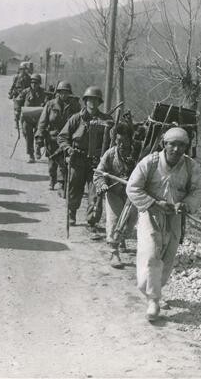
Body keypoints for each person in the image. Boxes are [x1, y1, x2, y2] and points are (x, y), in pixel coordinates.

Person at [126, 127, 201, 322]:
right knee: (151, 254)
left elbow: (198, 191)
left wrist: (185, 204)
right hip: (150, 214)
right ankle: (153, 299)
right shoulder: (150, 162)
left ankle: (154, 289)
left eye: (181, 145)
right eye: (172, 144)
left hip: (174, 217)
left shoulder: (190, 166)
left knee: (168, 257)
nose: (176, 149)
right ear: (164, 144)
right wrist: (153, 203)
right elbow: (133, 187)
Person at [57, 86, 113, 228]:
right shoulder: (76, 119)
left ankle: (92, 218)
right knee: (74, 189)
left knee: (95, 191)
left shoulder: (106, 120)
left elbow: (113, 141)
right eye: (90, 100)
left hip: (97, 162)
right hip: (78, 160)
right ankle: (71, 214)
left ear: (99, 102)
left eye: (95, 100)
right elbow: (62, 137)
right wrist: (68, 149)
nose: (92, 103)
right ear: (85, 101)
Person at [93, 123, 136, 268]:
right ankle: (114, 251)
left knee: (130, 224)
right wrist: (102, 184)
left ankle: (122, 239)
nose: (121, 145)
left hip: (133, 195)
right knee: (114, 220)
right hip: (114, 192)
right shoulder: (110, 154)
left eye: (125, 141)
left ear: (131, 139)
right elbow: (99, 173)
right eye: (118, 141)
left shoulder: (139, 153)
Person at [35, 80, 81, 190]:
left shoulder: (74, 105)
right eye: (61, 92)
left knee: (64, 161)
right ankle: (52, 179)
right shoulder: (50, 104)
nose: (64, 95)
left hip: (67, 138)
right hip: (52, 137)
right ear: (58, 93)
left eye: (66, 92)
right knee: (52, 163)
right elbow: (43, 121)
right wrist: (39, 137)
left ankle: (62, 182)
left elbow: (80, 120)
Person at [16, 73, 48, 163]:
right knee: (27, 132)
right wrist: (17, 110)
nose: (34, 84)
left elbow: (48, 103)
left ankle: (38, 147)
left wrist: (45, 103)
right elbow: (18, 101)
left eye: (36, 83)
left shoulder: (44, 93)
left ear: (39, 84)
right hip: (28, 117)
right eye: (33, 82)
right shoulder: (25, 92)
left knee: (40, 132)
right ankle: (31, 154)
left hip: (40, 118)